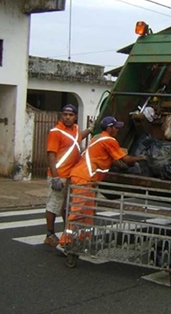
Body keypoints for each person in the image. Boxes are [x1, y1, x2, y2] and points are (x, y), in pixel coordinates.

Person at [59, 116, 145, 245]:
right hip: (84, 177)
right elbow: (125, 159)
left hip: (87, 179)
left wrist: (121, 165)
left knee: (88, 212)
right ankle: (65, 241)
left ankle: (84, 237)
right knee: (78, 211)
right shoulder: (109, 140)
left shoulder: (97, 137)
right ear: (110, 128)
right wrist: (141, 158)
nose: (117, 130)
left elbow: (109, 158)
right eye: (116, 127)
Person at [43, 104, 92, 247]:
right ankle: (50, 234)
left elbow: (77, 139)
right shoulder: (55, 132)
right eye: (65, 114)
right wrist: (55, 177)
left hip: (71, 175)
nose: (68, 117)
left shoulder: (76, 130)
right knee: (54, 205)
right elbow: (51, 155)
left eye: (71, 115)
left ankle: (67, 231)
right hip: (59, 175)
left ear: (75, 117)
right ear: (61, 116)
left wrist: (89, 130)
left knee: (67, 206)